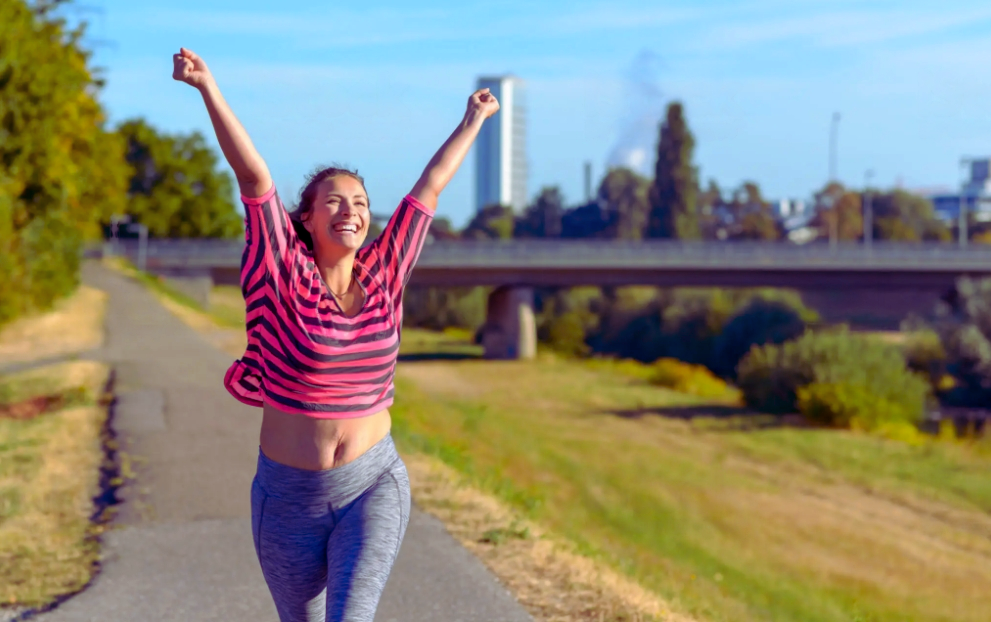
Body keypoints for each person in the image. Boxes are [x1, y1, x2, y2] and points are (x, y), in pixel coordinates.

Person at [172, 47, 499, 622]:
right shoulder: (278, 272)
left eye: (361, 203)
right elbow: (255, 178)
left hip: (372, 483)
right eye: (335, 201)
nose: (351, 211)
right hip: (287, 496)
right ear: (306, 219)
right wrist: (207, 87)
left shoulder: (386, 270)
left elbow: (429, 188)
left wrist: (471, 122)